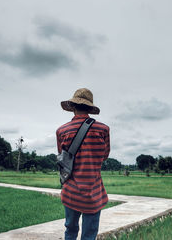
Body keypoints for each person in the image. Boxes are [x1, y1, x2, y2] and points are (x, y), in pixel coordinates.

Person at [56, 88, 110, 240]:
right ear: (90, 108)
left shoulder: (61, 131)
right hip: (94, 192)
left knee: (70, 231)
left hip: (71, 192)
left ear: (72, 106)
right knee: (89, 235)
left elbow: (63, 158)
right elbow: (104, 156)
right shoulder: (103, 130)